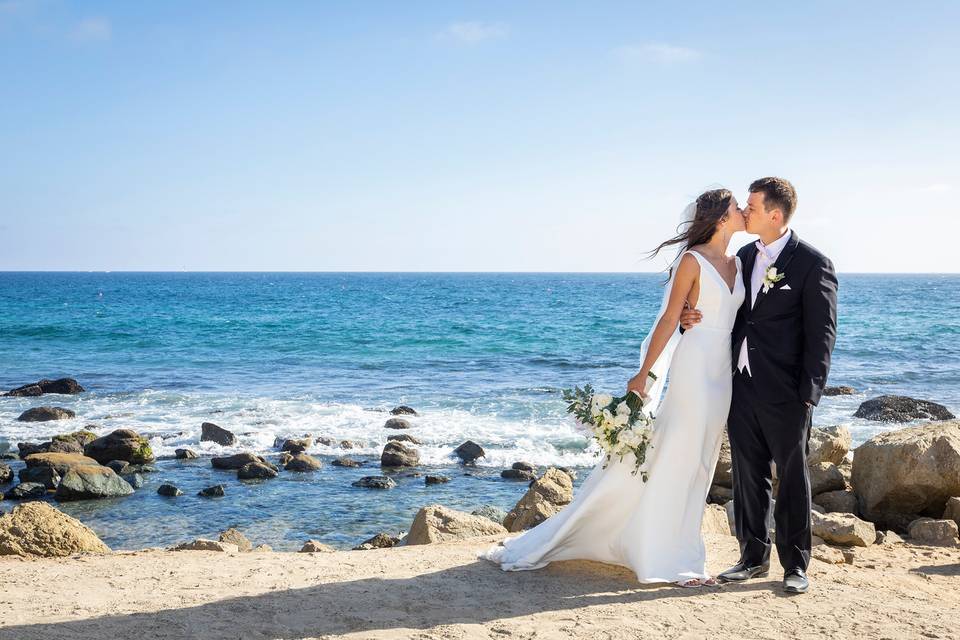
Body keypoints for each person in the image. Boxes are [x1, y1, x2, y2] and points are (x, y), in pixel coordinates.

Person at [482, 188, 745, 587]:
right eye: (736, 206)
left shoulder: (739, 264)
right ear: (722, 218)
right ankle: (667, 559)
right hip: (694, 367)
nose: (743, 209)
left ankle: (682, 551)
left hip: (723, 370)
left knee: (702, 462)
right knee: (678, 456)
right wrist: (644, 373)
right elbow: (669, 319)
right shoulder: (692, 261)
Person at [680, 177, 838, 594]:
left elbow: (822, 333)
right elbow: (724, 310)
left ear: (774, 214)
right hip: (740, 382)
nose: (744, 212)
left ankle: (796, 565)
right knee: (748, 473)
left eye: (751, 207)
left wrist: (810, 393)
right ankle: (752, 556)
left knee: (792, 474)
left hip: (788, 390)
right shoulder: (743, 256)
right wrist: (687, 318)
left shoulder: (812, 263)